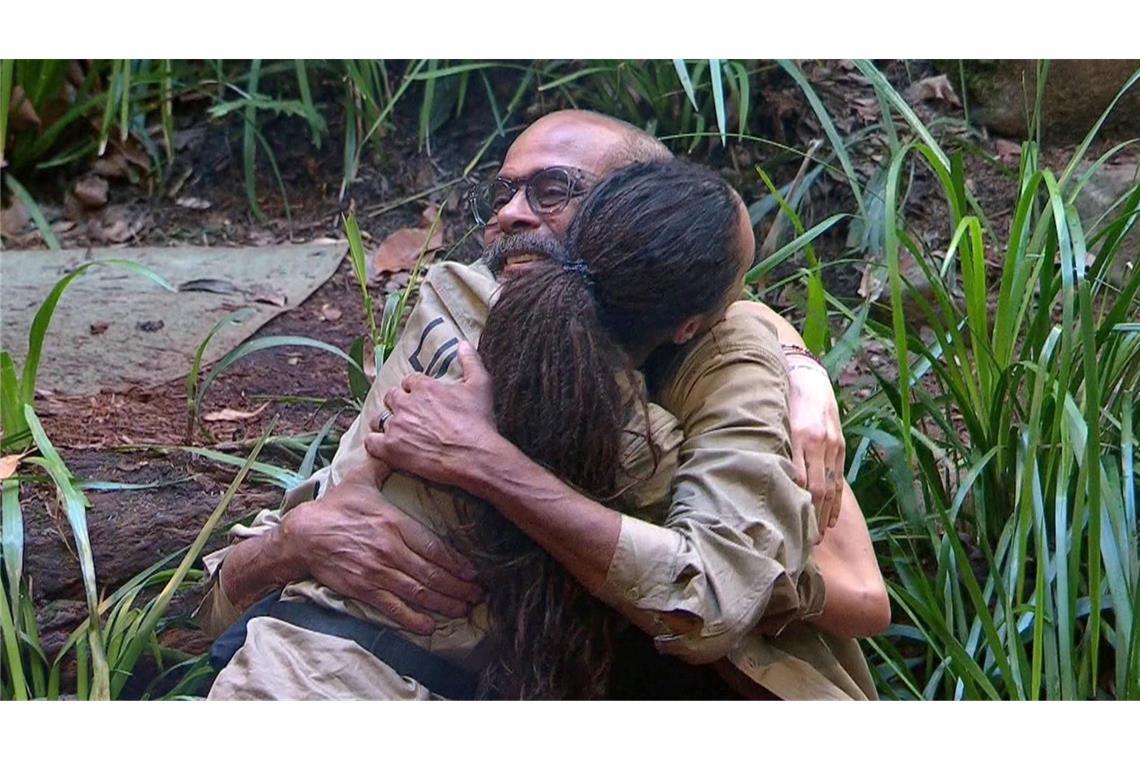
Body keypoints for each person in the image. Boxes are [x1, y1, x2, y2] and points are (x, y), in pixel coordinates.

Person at [198, 111, 888, 699]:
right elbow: (246, 587)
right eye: (502, 192)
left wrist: (487, 460)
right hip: (337, 677)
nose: (507, 214)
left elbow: (824, 593)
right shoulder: (464, 304)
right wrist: (292, 541)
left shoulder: (732, 354)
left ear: (638, 208)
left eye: (550, 190)